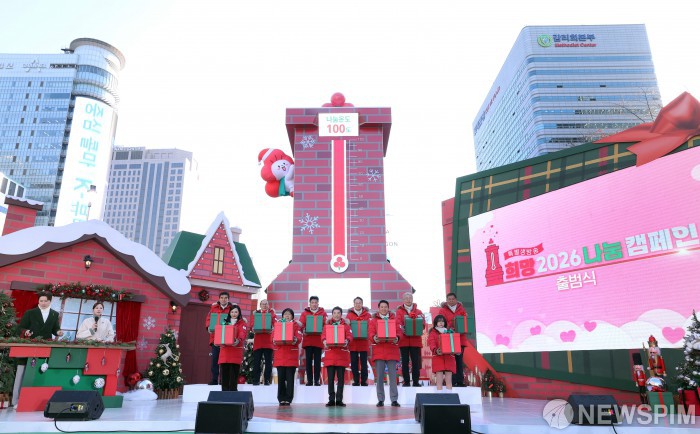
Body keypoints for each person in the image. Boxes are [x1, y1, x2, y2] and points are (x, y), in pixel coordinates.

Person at [369, 300, 400, 407]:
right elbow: (370, 332)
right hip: (379, 351)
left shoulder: (394, 320)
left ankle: (394, 400)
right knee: (380, 377)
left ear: (388, 308)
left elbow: (399, 332)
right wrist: (374, 338)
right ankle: (380, 399)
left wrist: (397, 338)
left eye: (385, 307)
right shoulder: (373, 321)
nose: (383, 309)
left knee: (393, 377)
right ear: (378, 308)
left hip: (391, 350)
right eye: (381, 307)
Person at [322, 307, 353, 407]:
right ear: (332, 314)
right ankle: (331, 399)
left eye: (338, 313)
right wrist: (324, 341)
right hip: (330, 355)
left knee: (341, 379)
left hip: (341, 355)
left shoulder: (346, 326)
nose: (336, 315)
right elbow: (323, 336)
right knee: (330, 379)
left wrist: (347, 340)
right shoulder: (327, 326)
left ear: (341, 314)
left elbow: (350, 336)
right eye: (334, 313)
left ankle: (339, 399)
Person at [272, 308, 303, 406]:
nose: (287, 316)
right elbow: (272, 336)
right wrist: (273, 339)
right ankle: (281, 398)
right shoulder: (278, 325)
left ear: (292, 316)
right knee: (281, 379)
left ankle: (288, 399)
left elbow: (299, 337)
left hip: (291, 356)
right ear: (282, 316)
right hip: (280, 356)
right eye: (285, 314)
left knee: (290, 379)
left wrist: (295, 339)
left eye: (289, 314)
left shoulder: (295, 325)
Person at [439, 292, 468, 387]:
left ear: (456, 300)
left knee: (459, 360)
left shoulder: (462, 309)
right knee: (451, 360)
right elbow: (441, 322)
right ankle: (452, 381)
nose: (451, 301)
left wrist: (459, 327)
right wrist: (451, 327)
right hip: (449, 339)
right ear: (447, 300)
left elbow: (464, 322)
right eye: (449, 299)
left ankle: (460, 381)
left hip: (460, 339)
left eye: (453, 299)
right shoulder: (442, 310)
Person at [396, 292, 425, 387]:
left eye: (410, 298)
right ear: (403, 300)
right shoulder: (399, 311)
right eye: (406, 298)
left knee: (416, 362)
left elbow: (423, 324)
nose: (408, 300)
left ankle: (416, 382)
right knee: (405, 362)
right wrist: (402, 328)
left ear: (412, 299)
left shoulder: (419, 311)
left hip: (415, 340)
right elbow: (397, 323)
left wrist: (419, 326)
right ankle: (407, 381)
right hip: (404, 340)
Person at [217, 304, 248, 391]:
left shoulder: (242, 323)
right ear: (229, 313)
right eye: (232, 312)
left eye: (236, 312)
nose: (234, 314)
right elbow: (220, 333)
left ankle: (233, 392)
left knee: (234, 373)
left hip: (235, 351)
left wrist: (238, 340)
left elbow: (242, 333)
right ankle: (224, 393)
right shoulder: (224, 322)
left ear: (239, 313)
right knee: (224, 373)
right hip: (225, 351)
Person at [206, 292, 233, 385]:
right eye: (222, 297)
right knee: (215, 359)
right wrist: (208, 327)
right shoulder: (213, 308)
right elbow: (208, 319)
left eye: (225, 298)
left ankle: (223, 380)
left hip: (227, 338)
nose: (223, 299)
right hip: (215, 338)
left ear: (228, 299)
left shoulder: (232, 308)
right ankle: (214, 380)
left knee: (225, 360)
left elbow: (235, 319)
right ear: (219, 299)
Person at [300, 296, 326, 386]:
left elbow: (326, 325)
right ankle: (310, 381)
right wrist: (303, 329)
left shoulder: (323, 313)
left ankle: (317, 380)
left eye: (316, 302)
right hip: (308, 341)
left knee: (317, 362)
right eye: (312, 302)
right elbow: (301, 324)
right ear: (309, 303)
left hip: (318, 341)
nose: (314, 304)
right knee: (308, 362)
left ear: (318, 303)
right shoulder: (304, 313)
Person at [250, 299, 277, 385]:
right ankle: (256, 380)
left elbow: (275, 324)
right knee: (256, 362)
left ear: (268, 305)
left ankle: (267, 380)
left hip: (268, 341)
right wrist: (253, 328)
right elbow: (251, 324)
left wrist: (272, 328)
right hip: (258, 341)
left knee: (268, 362)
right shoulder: (256, 314)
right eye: (263, 304)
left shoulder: (272, 314)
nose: (264, 305)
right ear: (260, 305)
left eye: (266, 304)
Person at [346, 296, 371, 386]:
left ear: (362, 304)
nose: (358, 304)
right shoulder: (349, 315)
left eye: (359, 303)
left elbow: (370, 327)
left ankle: (364, 381)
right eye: (356, 303)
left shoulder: (367, 315)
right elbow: (347, 328)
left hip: (364, 342)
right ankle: (356, 381)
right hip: (353, 343)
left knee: (364, 363)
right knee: (354, 363)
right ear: (353, 304)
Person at [428, 315, 456, 391]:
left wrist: (455, 350)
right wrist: (435, 350)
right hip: (438, 357)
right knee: (439, 381)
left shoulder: (449, 332)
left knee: (449, 381)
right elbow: (431, 343)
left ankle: (450, 396)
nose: (441, 323)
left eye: (442, 321)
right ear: (435, 323)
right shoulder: (433, 333)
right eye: (439, 321)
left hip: (449, 357)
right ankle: (439, 395)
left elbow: (453, 343)